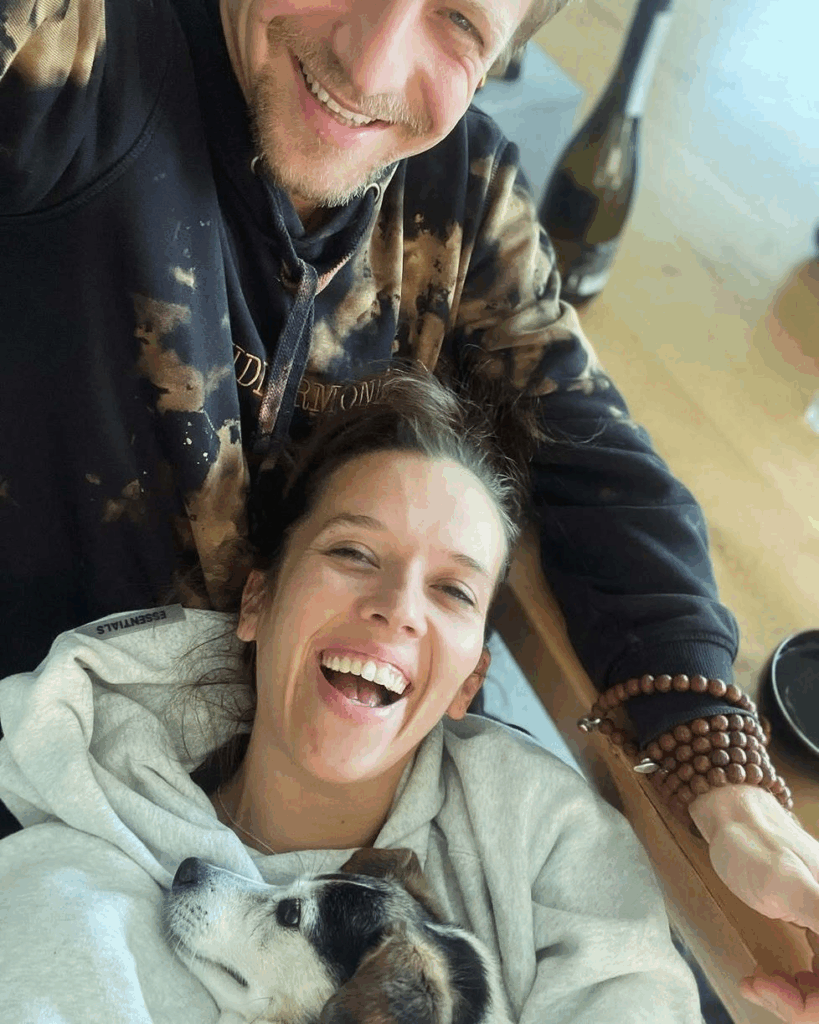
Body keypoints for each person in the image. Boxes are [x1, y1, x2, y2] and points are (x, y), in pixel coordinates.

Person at [0, 2, 818, 1018]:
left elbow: (599, 465)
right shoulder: (83, 52)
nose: (371, 60)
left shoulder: (457, 189)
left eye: (459, 21)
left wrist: (720, 774)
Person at [0, 369, 704, 1023]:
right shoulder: (66, 906)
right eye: (353, 553)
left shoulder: (548, 842)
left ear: (469, 682)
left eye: (452, 590)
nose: (397, 607)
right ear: (257, 600)